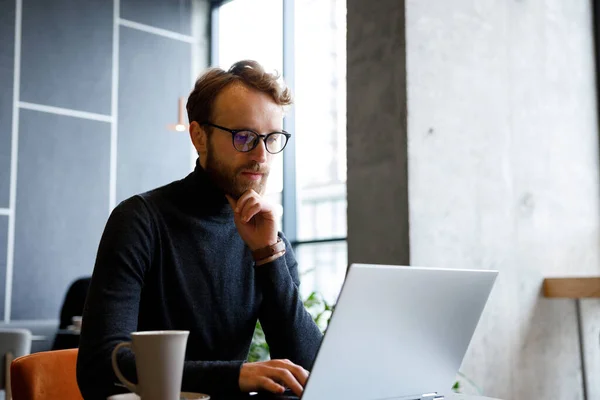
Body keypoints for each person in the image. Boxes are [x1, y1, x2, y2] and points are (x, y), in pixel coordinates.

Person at [76, 60, 323, 400]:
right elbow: (100, 367)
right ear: (199, 136)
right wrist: (235, 376)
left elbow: (310, 371)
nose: (261, 156)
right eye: (244, 137)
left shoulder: (267, 240)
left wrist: (268, 256)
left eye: (272, 138)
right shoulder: (140, 220)